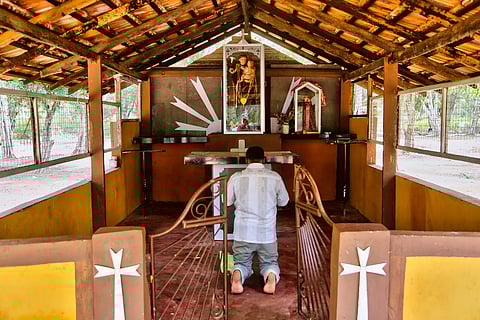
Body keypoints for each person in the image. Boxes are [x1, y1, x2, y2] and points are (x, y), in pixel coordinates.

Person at [227, 146, 289, 294]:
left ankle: (237, 278)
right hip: (266, 234)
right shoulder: (275, 177)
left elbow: (227, 201)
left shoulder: (236, 177)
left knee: (241, 262)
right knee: (269, 262)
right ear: (264, 160)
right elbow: (284, 201)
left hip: (243, 233)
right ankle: (271, 278)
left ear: (246, 160)